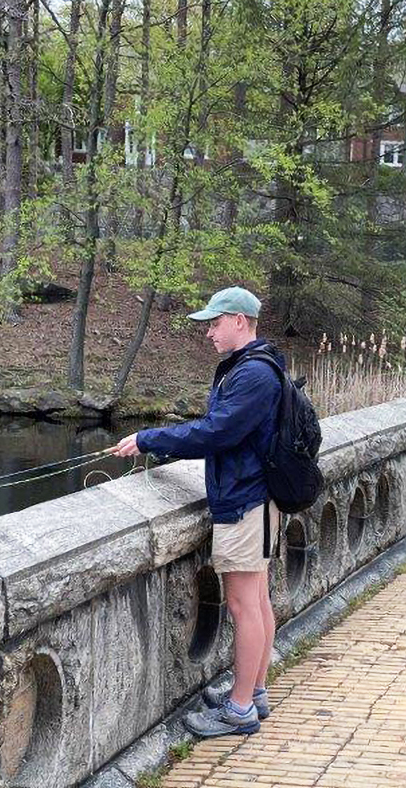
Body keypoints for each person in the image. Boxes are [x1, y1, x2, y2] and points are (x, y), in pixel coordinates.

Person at [108, 286, 282, 739]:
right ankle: (255, 692)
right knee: (257, 600)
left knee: (245, 606)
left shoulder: (254, 375)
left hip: (245, 502)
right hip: (252, 499)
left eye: (215, 322)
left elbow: (216, 433)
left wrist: (151, 440)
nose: (208, 332)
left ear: (239, 321)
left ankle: (240, 708)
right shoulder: (251, 367)